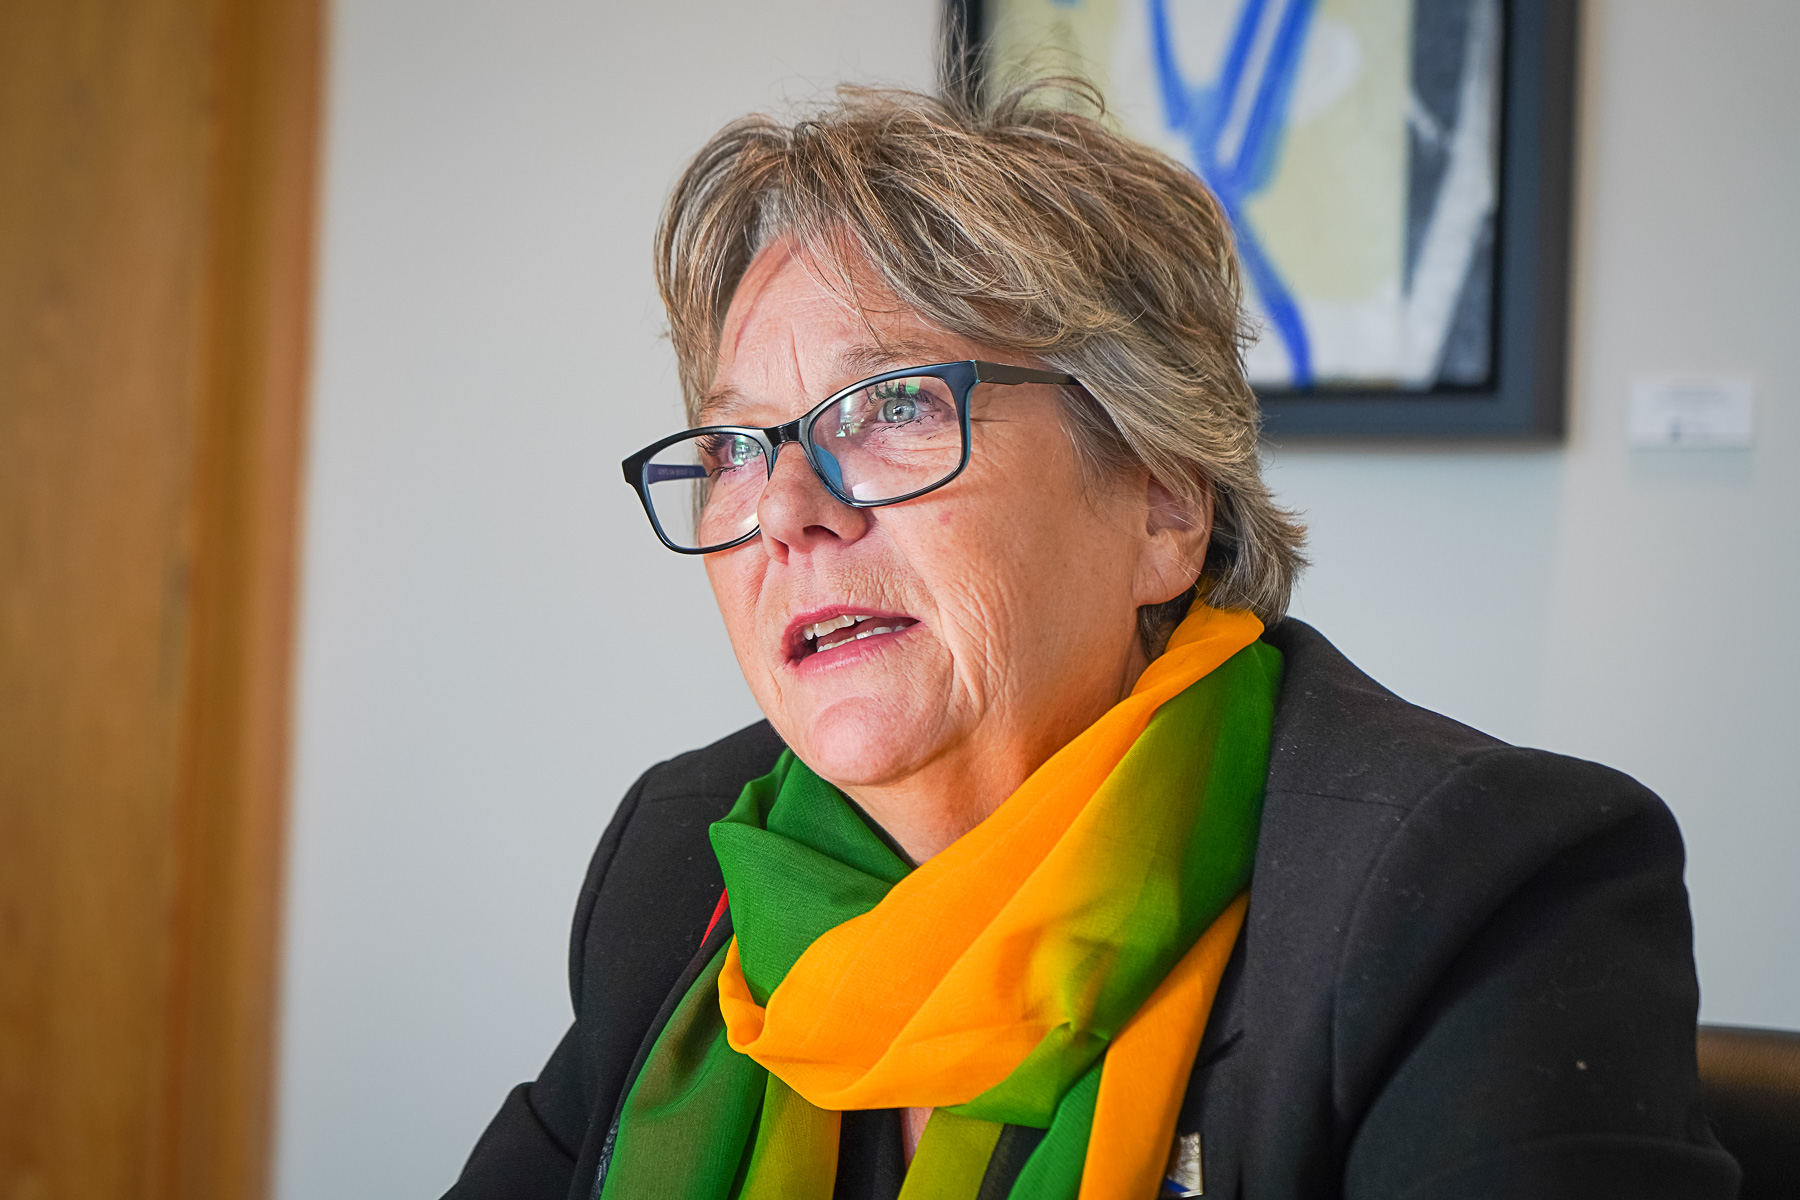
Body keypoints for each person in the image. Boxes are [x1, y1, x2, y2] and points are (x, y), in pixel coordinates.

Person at [444, 83, 1737, 1200]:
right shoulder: (685, 860)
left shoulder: (1468, 889)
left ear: (1164, 503)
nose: (785, 510)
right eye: (735, 446)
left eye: (891, 405)